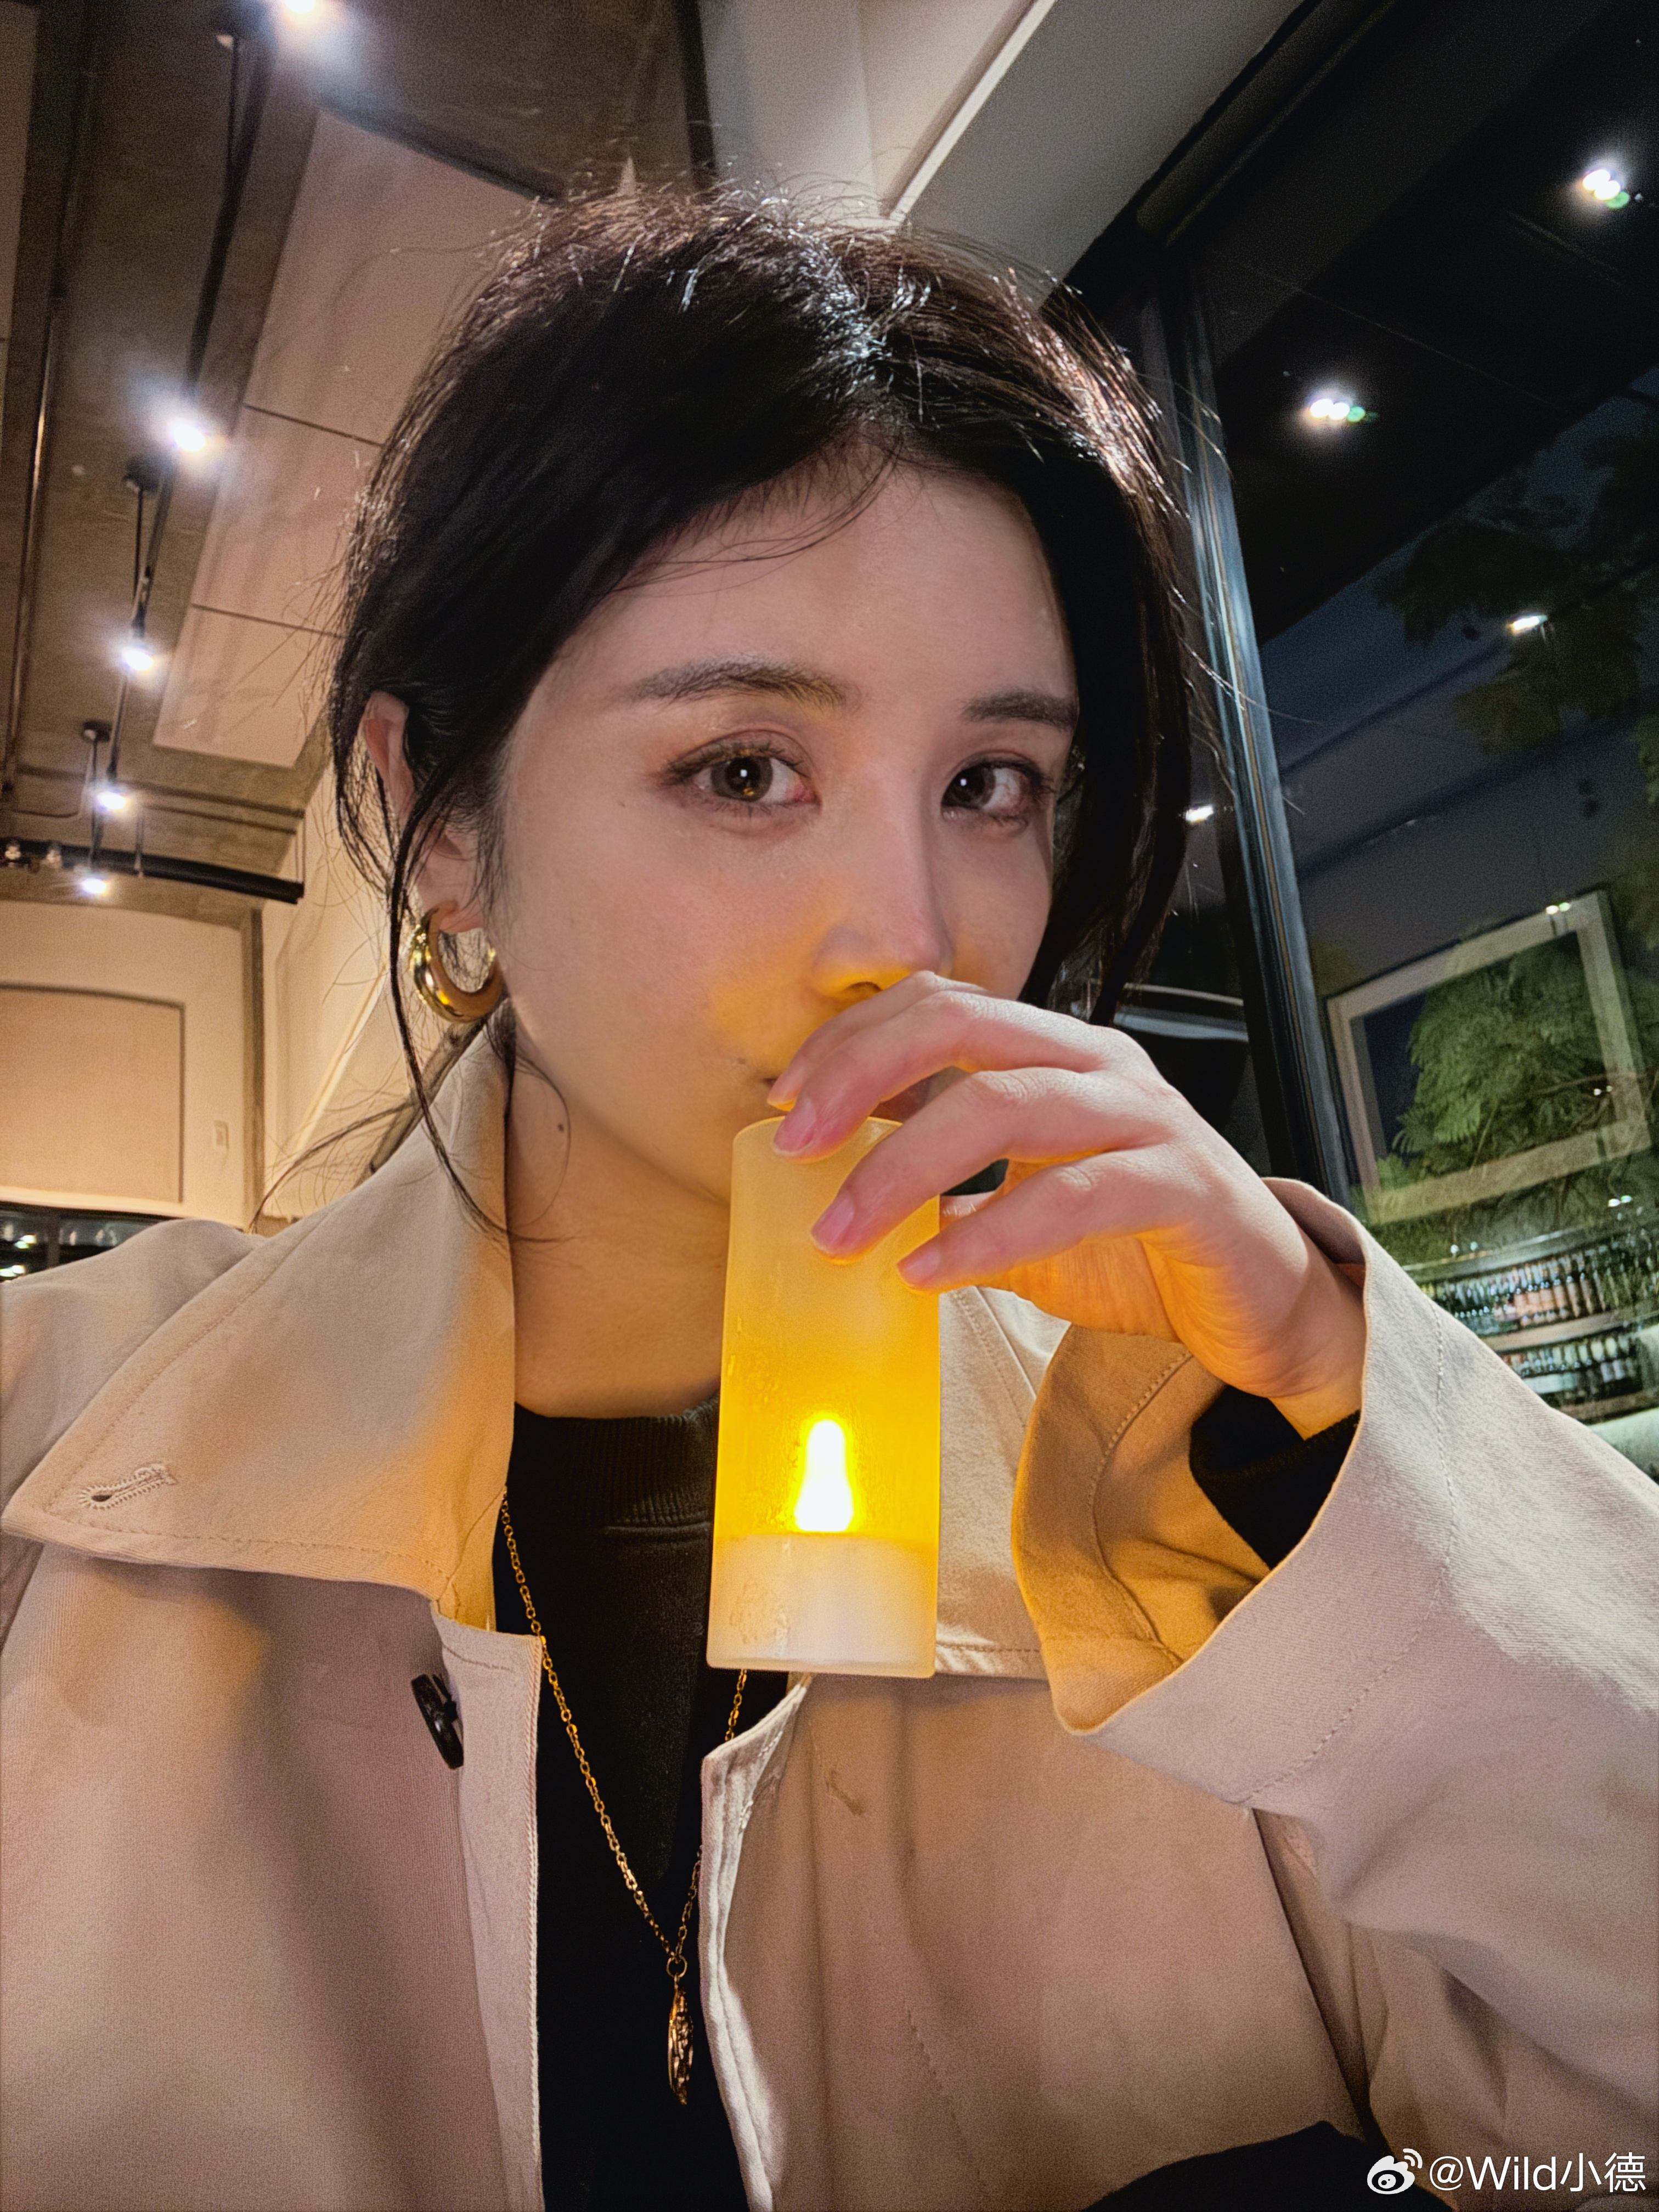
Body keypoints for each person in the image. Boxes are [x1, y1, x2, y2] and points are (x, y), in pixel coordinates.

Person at [2, 194, 1653, 2212]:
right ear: (442, 820)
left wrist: (1328, 1399)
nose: (909, 931)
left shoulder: (1198, 1477)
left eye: (990, 786)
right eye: (742, 769)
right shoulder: (50, 1448)